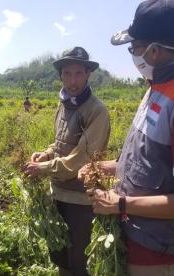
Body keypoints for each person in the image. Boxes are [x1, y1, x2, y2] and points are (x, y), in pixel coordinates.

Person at [78, 0, 174, 275]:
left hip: (155, 246)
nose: (132, 56)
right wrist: (107, 166)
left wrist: (119, 203)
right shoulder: (157, 86)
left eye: (134, 49)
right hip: (133, 232)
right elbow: (149, 161)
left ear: (154, 51)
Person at [23, 46, 111, 275]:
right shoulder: (63, 104)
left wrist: (42, 168)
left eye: (78, 73)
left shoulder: (96, 111)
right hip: (58, 194)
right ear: (60, 75)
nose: (73, 81)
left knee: (80, 264)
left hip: (81, 201)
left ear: (88, 74)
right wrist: (47, 154)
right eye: (68, 74)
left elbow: (80, 159)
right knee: (61, 259)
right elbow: (61, 143)